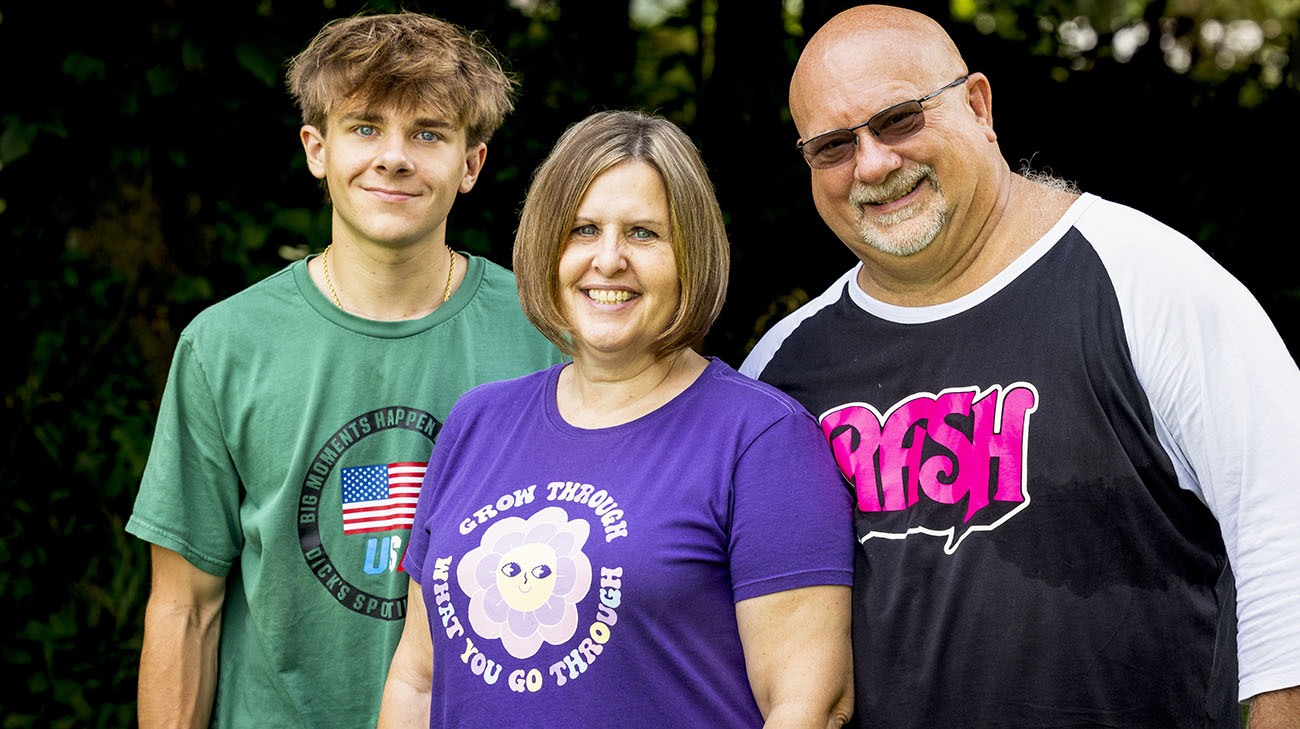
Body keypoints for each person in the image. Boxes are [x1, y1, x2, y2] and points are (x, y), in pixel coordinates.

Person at [740, 5, 1300, 728]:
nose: (873, 163)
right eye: (834, 146)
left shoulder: (1144, 281)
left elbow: (1284, 539)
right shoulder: (780, 374)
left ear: (977, 105)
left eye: (901, 119)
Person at [126, 13, 562, 729]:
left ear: (472, 163)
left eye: (428, 132)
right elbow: (185, 608)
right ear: (316, 149)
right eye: (364, 127)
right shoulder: (225, 345)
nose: (393, 157)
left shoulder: (545, 335)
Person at [376, 110, 856, 728]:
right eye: (582, 229)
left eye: (643, 233)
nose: (608, 260)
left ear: (691, 254)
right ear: (547, 247)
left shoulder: (760, 439)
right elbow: (417, 681)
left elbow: (807, 706)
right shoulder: (477, 422)